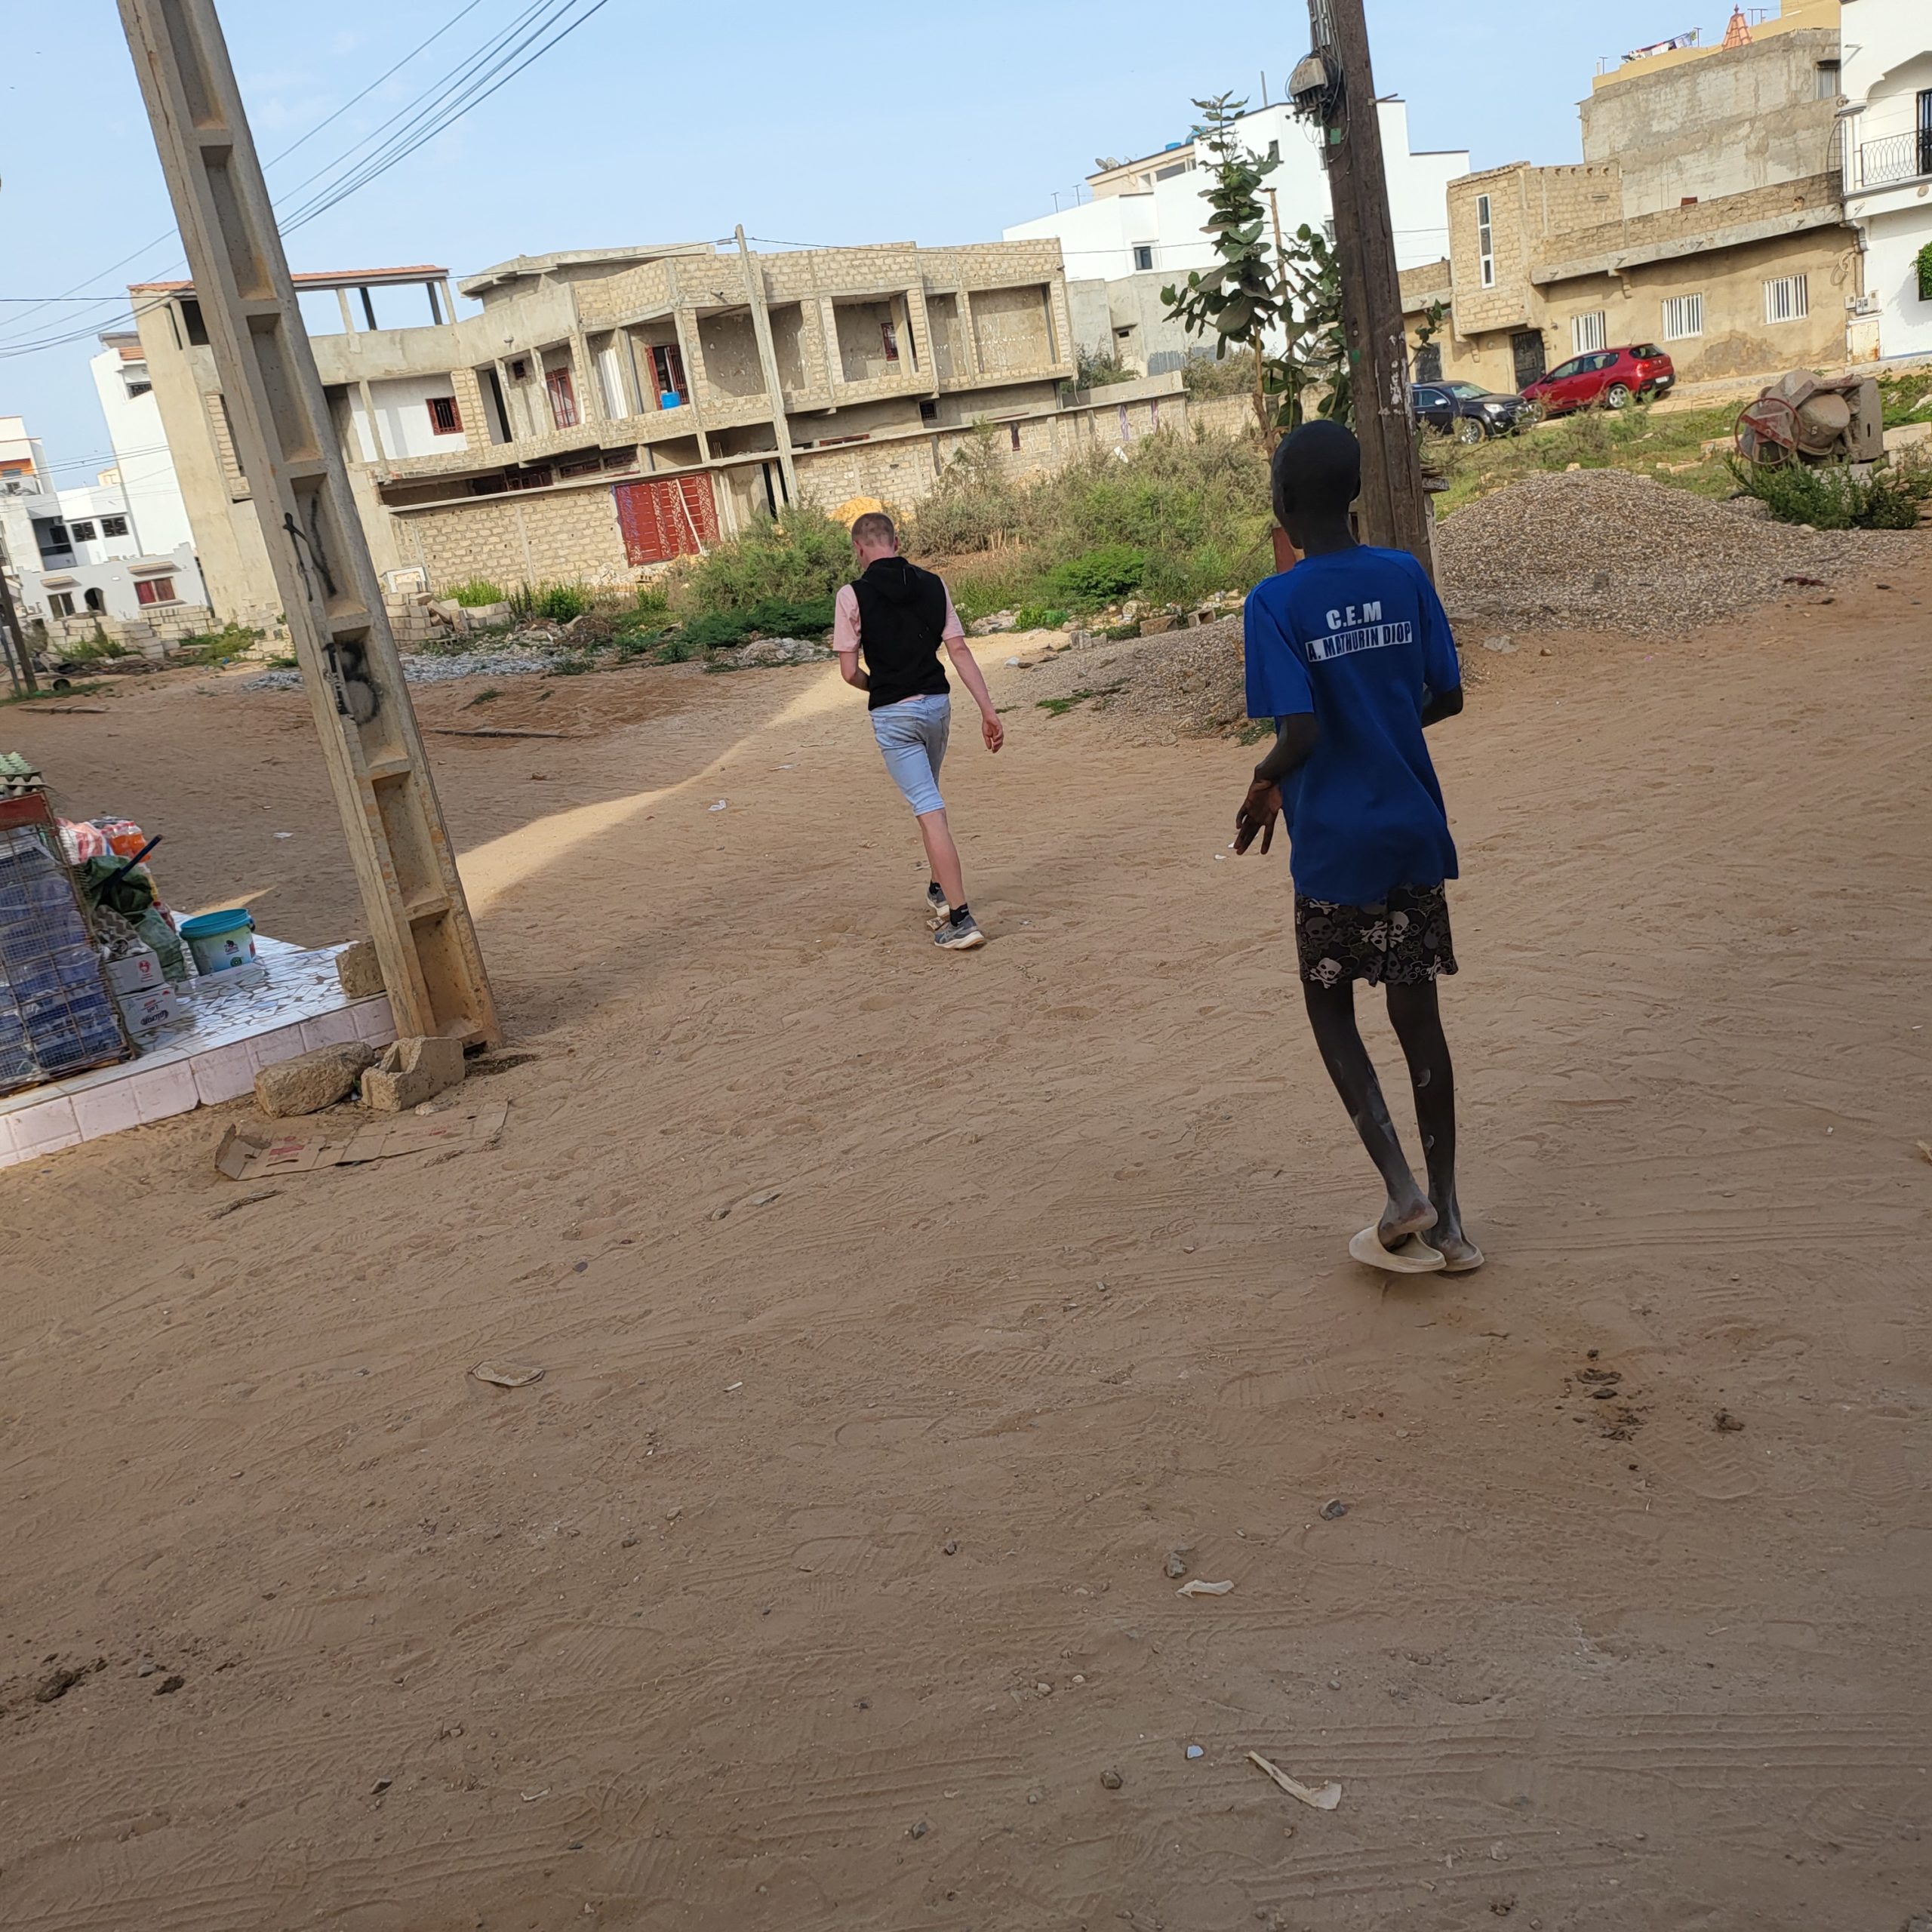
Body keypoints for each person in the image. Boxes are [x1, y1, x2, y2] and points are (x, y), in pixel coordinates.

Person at [1232, 420, 1481, 1275]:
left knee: (1328, 1003)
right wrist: (1382, 725)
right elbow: (1446, 695)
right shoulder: (1404, 575)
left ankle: (1401, 1191)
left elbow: (1299, 732)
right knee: (1419, 1020)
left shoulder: (1274, 603)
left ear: (1282, 505)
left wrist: (1264, 778)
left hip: (1336, 849)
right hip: (1411, 831)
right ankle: (1451, 1223)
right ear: (1355, 495)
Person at [833, 511, 1004, 950]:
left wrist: (879, 685)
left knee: (928, 807)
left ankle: (961, 918)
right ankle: (938, 890)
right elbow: (959, 649)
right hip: (936, 706)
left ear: (858, 549)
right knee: (931, 799)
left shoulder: (852, 595)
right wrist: (987, 710)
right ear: (896, 541)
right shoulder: (934, 584)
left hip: (894, 714)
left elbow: (849, 672)